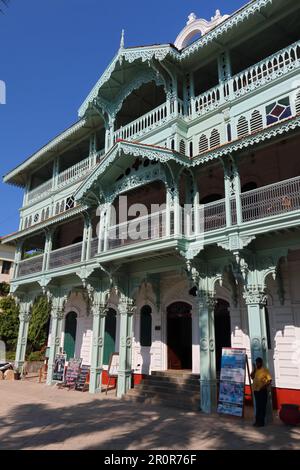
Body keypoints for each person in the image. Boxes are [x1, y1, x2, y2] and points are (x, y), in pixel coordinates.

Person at [251, 357, 272, 427]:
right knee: (258, 406)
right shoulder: (256, 370)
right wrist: (254, 369)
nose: (257, 364)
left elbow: (269, 380)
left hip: (262, 391)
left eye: (258, 363)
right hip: (256, 391)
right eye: (256, 363)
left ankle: (261, 422)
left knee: (262, 407)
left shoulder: (265, 370)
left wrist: (264, 386)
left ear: (261, 363)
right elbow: (252, 377)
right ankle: (257, 421)